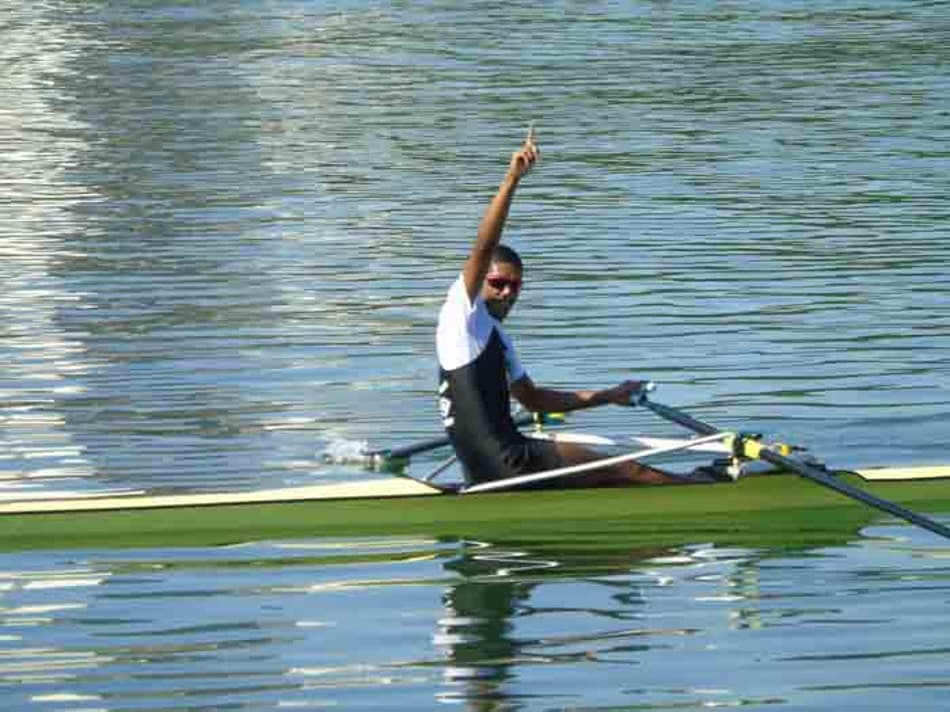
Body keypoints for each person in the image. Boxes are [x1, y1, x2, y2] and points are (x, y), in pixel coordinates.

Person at [436, 130, 682, 489]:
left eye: (515, 286)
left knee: (609, 474)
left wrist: (609, 396)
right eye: (498, 283)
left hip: (483, 471)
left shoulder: (497, 337)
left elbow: (534, 400)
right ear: (480, 280)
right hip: (510, 461)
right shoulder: (461, 315)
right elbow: (483, 247)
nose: (507, 292)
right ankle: (710, 491)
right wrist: (512, 180)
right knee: (631, 471)